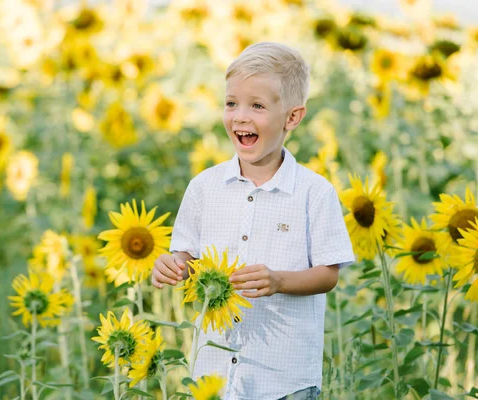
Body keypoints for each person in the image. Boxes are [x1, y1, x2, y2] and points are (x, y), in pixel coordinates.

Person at [151, 42, 354, 400]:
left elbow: (328, 273)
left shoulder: (314, 193)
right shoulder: (204, 188)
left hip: (285, 378)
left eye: (257, 106)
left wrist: (279, 281)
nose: (240, 117)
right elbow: (186, 257)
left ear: (292, 117)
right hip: (212, 374)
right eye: (231, 103)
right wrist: (172, 266)